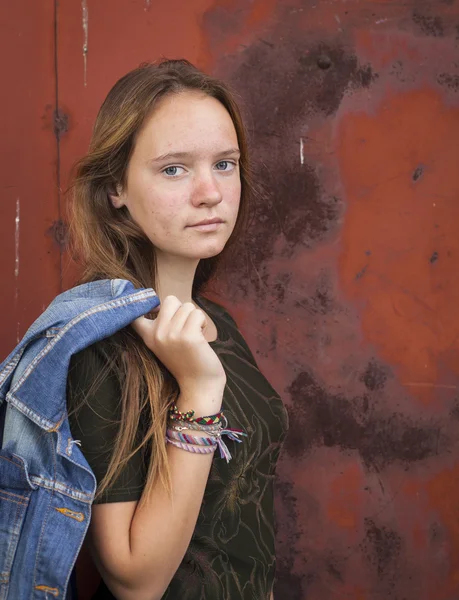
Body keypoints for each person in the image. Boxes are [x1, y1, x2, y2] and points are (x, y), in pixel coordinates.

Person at [66, 59, 288, 600]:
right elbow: (135, 582)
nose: (210, 192)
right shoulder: (100, 346)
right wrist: (199, 390)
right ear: (116, 187)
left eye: (225, 164)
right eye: (174, 169)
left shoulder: (219, 323)